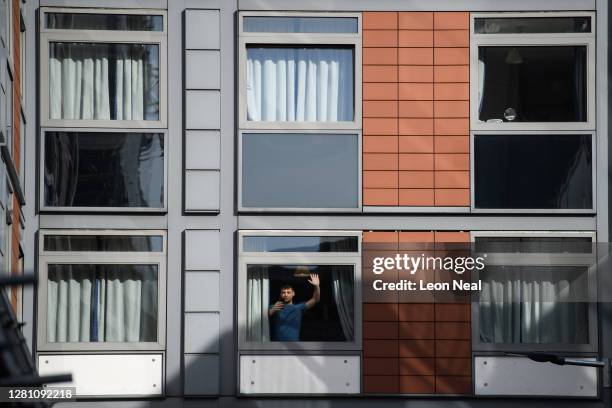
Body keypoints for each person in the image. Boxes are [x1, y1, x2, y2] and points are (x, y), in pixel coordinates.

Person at [268, 273, 320, 341]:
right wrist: (273, 309)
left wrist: (316, 286)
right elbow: (264, 318)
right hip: (277, 344)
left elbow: (315, 299)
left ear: (293, 294)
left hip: (293, 344)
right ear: (280, 294)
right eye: (283, 292)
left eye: (288, 292)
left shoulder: (298, 308)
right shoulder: (275, 306)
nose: (286, 294)